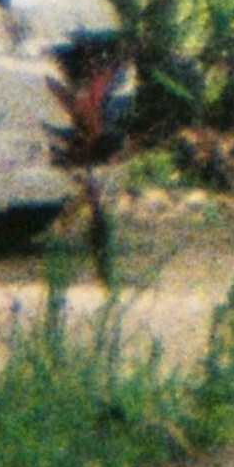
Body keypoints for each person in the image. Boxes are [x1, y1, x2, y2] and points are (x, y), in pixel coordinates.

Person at [46, 25, 138, 283]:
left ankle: (100, 268)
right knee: (94, 205)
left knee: (95, 206)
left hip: (95, 144)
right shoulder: (106, 88)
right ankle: (101, 269)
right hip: (93, 143)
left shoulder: (105, 91)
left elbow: (78, 108)